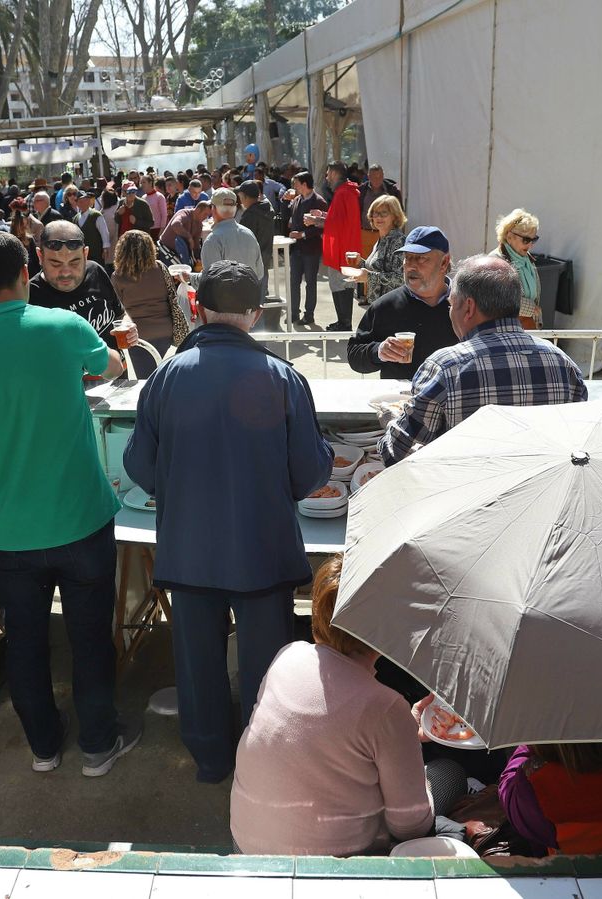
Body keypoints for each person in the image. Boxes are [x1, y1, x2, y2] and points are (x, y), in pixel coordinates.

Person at [0, 229, 140, 778]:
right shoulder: (62, 325)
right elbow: (113, 366)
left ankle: (43, 747)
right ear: (27, 272)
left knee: (25, 642)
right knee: (90, 637)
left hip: (11, 530)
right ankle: (99, 744)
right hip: (83, 518)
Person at [124, 260, 332, 783]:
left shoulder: (166, 377)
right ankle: (263, 766)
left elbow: (139, 467)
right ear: (256, 314)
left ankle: (211, 761)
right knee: (266, 668)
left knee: (198, 666)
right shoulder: (283, 377)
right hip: (262, 549)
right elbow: (310, 473)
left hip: (188, 550)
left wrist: (182, 489)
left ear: (197, 308)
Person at [229, 557, 437, 855]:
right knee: (448, 774)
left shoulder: (287, 657)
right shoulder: (387, 707)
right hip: (334, 868)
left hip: (247, 847)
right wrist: (415, 759)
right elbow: (410, 826)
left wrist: (402, 732)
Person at [380, 256, 587, 466]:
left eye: (451, 304)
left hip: (464, 486)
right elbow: (579, 441)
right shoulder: (563, 363)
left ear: (468, 308)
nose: (450, 312)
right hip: (540, 485)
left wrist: (391, 418)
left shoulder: (445, 367)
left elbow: (395, 453)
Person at [347, 226, 458, 380]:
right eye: (408, 257)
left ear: (444, 262)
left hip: (452, 394)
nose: (411, 265)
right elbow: (355, 355)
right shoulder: (386, 306)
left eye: (421, 258)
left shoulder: (464, 305)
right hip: (400, 395)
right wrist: (379, 351)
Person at [27, 219, 143, 366]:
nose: (66, 272)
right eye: (55, 263)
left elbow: (120, 314)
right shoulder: (30, 296)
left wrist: (128, 326)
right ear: (40, 256)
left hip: (118, 371)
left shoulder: (95, 271)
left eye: (75, 262)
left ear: (85, 254)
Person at [110, 230, 184, 360]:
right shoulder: (160, 268)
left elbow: (117, 308)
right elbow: (172, 296)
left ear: (121, 251)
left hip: (137, 337)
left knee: (146, 373)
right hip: (165, 331)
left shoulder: (118, 277)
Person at [318, 162, 363, 331]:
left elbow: (338, 223)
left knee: (342, 285)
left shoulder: (344, 193)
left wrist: (318, 220)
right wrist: (323, 216)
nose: (327, 177)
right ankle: (342, 321)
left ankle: (345, 323)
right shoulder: (344, 192)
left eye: (328, 173)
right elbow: (338, 219)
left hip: (343, 250)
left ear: (334, 174)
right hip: (344, 247)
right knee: (340, 285)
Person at [489, 208, 545, 328]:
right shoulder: (496, 260)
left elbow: (535, 297)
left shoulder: (527, 259)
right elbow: (500, 298)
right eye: (526, 240)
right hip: (504, 328)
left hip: (526, 326)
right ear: (509, 237)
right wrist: (531, 309)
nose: (530, 245)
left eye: (534, 239)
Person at [348, 194, 406, 307]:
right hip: (377, 305)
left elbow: (401, 278)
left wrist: (370, 277)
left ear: (395, 216)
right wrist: (360, 262)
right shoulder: (381, 239)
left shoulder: (399, 241)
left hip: (392, 306)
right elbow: (376, 268)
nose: (378, 217)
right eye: (375, 213)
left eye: (384, 213)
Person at [192, 189, 262, 281]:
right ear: (235, 208)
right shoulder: (249, 234)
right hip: (251, 289)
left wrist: (190, 277)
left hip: (225, 291)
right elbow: (259, 273)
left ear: (214, 209)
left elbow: (210, 281)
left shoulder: (213, 240)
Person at [285, 172, 326, 326]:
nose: (294, 186)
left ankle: (309, 315)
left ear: (304, 184)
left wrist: (302, 234)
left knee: (310, 283)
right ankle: (294, 312)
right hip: (296, 249)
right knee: (294, 282)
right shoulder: (297, 199)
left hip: (311, 249)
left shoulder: (319, 202)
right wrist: (285, 201)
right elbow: (288, 217)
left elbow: (321, 227)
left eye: (296, 183)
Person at [236, 180, 276, 298]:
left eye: (240, 196)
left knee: (252, 298)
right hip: (265, 256)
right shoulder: (267, 209)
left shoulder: (250, 215)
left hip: (251, 261)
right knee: (260, 295)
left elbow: (243, 240)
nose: (240, 200)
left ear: (245, 197)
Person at [356, 164, 403, 259]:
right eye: (374, 177)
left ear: (383, 175)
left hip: (386, 233)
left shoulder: (392, 190)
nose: (377, 179)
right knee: (365, 262)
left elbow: (400, 212)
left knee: (383, 260)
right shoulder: (361, 190)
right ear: (368, 176)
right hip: (365, 233)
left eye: (380, 176)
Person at [70, 190, 112, 265]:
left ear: (88, 201)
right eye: (80, 201)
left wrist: (105, 247)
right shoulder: (75, 218)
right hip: (82, 253)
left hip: (96, 253)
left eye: (85, 200)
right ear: (77, 203)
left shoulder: (96, 215)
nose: (83, 203)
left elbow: (104, 232)